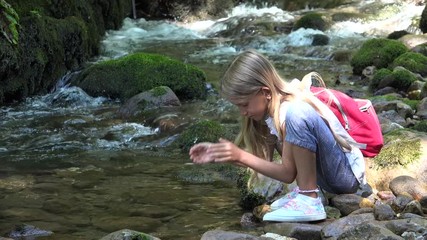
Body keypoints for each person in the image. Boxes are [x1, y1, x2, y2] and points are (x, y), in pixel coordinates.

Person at [189, 49, 366, 222]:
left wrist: (240, 155)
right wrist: (222, 155)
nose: (242, 112)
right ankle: (309, 193)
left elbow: (288, 174)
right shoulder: (268, 115)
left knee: (298, 113)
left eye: (244, 105)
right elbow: (270, 166)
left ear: (265, 92)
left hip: (344, 177)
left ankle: (309, 199)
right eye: (238, 107)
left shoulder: (290, 108)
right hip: (327, 179)